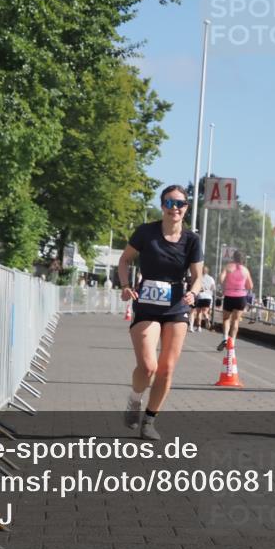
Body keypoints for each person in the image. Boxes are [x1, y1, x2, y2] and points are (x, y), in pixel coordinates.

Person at [117, 185, 203, 440]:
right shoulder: (146, 232)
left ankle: (149, 421)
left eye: (180, 203)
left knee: (166, 369)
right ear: (162, 205)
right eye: (169, 202)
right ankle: (135, 400)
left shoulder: (192, 240)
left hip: (176, 305)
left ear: (186, 208)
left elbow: (197, 276)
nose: (174, 208)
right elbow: (124, 260)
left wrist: (193, 293)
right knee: (148, 366)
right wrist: (124, 286)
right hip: (147, 304)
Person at [217, 250, 254, 351]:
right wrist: (242, 286)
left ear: (233, 257)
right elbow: (250, 285)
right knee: (236, 320)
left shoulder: (228, 267)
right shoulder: (245, 270)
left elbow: (220, 278)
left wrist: (224, 286)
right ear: (243, 259)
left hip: (229, 295)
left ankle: (225, 338)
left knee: (226, 319)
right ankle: (232, 342)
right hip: (241, 297)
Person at [190, 266, 216, 332]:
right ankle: (207, 317)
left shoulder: (199, 278)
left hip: (200, 296)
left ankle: (199, 327)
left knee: (199, 312)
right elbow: (213, 288)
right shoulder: (211, 278)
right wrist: (209, 290)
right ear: (208, 271)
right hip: (208, 296)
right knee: (205, 311)